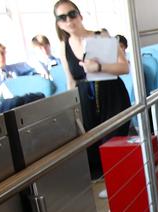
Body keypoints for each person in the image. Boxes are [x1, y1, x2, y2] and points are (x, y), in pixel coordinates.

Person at [53, 0, 131, 185]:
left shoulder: (100, 36)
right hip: (85, 101)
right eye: (62, 17)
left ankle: (120, 187)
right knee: (93, 150)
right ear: (58, 23)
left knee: (113, 146)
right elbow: (71, 81)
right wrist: (71, 111)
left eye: (72, 14)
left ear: (80, 15)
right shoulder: (64, 47)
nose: (69, 20)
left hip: (111, 95)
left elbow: (124, 67)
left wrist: (99, 66)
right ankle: (111, 189)